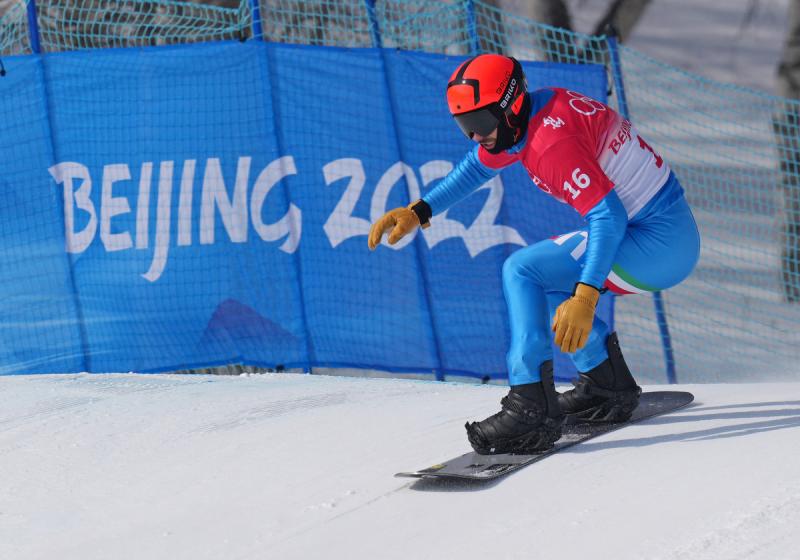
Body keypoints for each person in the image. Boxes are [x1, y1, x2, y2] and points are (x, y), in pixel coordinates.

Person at [367, 54, 700, 455]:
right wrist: (420, 210)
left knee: (522, 271)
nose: (475, 136)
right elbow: (477, 168)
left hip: (657, 243)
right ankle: (605, 383)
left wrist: (586, 296)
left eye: (480, 123)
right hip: (664, 234)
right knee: (545, 279)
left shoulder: (549, 143)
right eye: (465, 125)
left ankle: (530, 408)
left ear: (510, 107)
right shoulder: (536, 111)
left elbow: (608, 216)